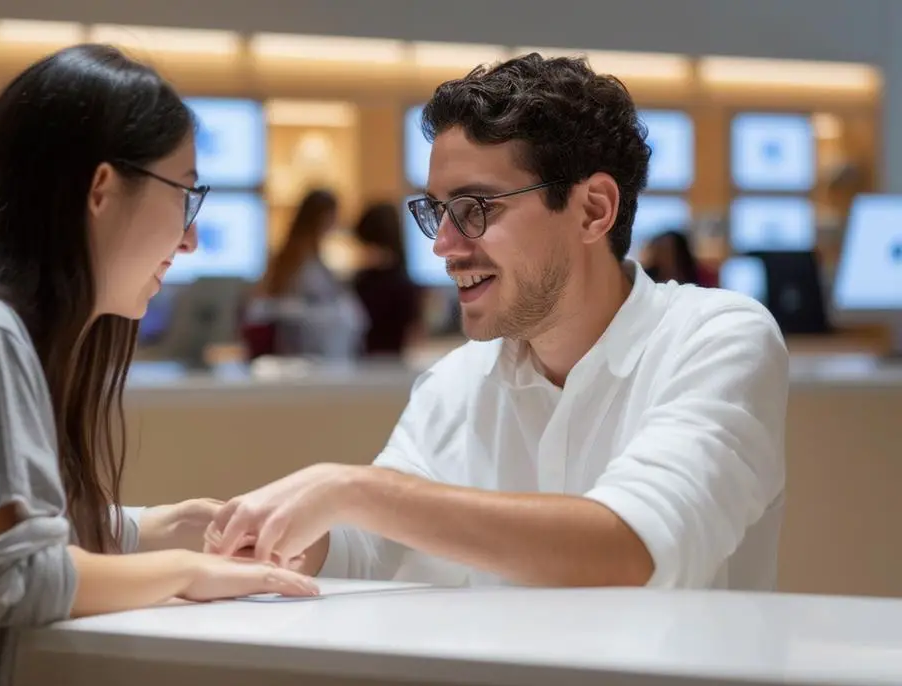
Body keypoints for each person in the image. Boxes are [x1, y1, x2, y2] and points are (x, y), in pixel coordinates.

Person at [0, 45, 316, 686]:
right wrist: (195, 574)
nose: (190, 237)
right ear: (102, 188)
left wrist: (165, 527)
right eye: (185, 194)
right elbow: (23, 578)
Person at [205, 54, 789, 591]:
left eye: (476, 209)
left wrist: (356, 491)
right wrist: (274, 538)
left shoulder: (717, 339)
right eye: (437, 211)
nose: (443, 246)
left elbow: (629, 548)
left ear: (593, 210)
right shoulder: (456, 382)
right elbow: (368, 548)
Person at [242, 189, 366, 360]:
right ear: (322, 216)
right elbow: (275, 304)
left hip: (311, 346)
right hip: (298, 348)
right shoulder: (296, 259)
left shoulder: (312, 256)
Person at [351, 203, 423, 357]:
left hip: (391, 362)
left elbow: (413, 333)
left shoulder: (400, 284)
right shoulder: (363, 279)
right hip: (369, 362)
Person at [641, 229, 717, 287]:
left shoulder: (703, 275)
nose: (662, 256)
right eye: (658, 250)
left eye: (667, 250)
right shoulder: (645, 277)